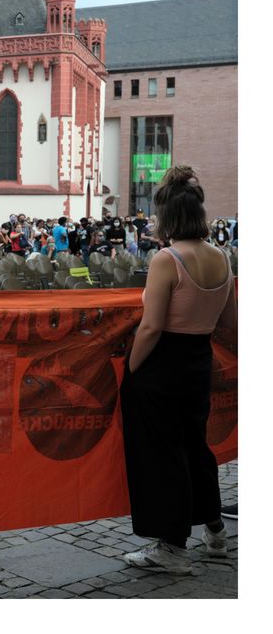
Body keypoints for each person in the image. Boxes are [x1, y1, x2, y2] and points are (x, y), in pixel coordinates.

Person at [120, 166, 237, 575]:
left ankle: (171, 547)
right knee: (196, 447)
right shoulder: (222, 258)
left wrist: (132, 371)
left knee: (164, 454)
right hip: (198, 361)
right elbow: (230, 324)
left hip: (163, 365)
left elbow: (151, 326)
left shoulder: (166, 259)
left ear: (169, 218)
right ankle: (216, 531)